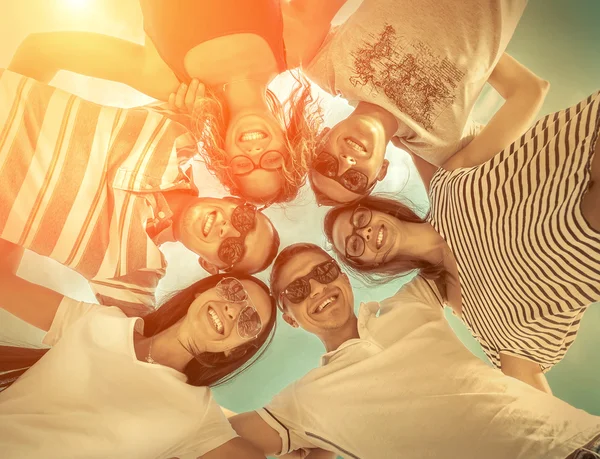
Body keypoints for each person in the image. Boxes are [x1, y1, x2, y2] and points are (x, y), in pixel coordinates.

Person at [324, 90, 600, 392]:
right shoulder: (469, 307)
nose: (362, 233)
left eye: (360, 219)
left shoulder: (445, 186)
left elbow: (404, 108)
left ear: (377, 208)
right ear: (368, 264)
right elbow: (531, 393)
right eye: (353, 245)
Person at [228, 243, 600, 459]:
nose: (318, 289)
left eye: (324, 272)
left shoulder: (410, 301)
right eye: (296, 290)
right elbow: (213, 434)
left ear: (342, 275)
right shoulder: (305, 399)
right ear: (290, 318)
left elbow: (451, 242)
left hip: (579, 437)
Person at [0, 69, 279, 313]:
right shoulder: (181, 129)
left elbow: (137, 349)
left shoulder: (132, 278)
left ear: (210, 265)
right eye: (244, 220)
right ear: (234, 200)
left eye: (232, 250)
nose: (228, 231)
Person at [9, 0, 324, 204]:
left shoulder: (165, 79)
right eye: (272, 161)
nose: (255, 154)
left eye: (243, 166)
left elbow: (41, 50)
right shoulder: (296, 43)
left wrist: (7, 127)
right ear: (290, 144)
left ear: (225, 155)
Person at [0, 239, 276, 459]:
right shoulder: (99, 320)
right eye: (234, 291)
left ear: (235, 351)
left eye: (249, 320)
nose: (233, 310)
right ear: (201, 291)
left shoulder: (198, 419)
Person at [284, 0, 545, 205]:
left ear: (322, 137)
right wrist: (484, 54)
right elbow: (531, 90)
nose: (345, 163)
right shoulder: (442, 145)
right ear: (381, 171)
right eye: (353, 180)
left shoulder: (320, 64)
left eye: (326, 165)